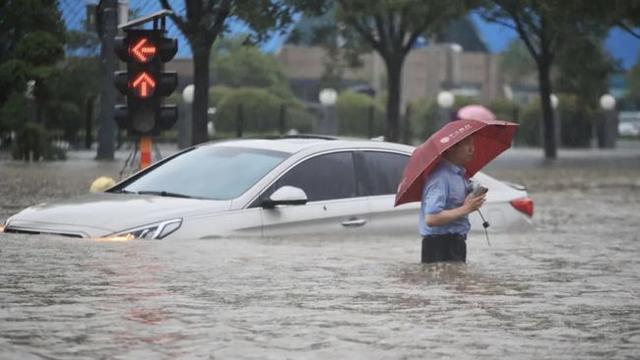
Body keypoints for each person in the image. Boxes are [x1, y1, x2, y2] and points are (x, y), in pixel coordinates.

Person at [419, 136, 486, 263]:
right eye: (467, 144)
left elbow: (455, 206)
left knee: (455, 282)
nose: (472, 149)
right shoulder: (440, 178)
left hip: (456, 243)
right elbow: (431, 218)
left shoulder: (459, 175)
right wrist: (466, 208)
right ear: (451, 148)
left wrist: (470, 200)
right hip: (439, 245)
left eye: (473, 143)